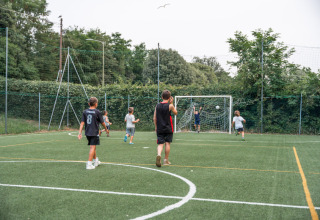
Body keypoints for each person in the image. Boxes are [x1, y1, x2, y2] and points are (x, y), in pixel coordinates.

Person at [78, 97, 108, 170]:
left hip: (87, 132)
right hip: (94, 132)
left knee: (93, 146)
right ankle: (89, 164)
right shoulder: (97, 112)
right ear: (96, 104)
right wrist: (106, 129)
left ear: (89, 104)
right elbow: (103, 122)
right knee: (92, 147)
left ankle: (95, 161)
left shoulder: (85, 111)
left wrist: (79, 132)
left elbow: (82, 123)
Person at [153, 90, 178, 167]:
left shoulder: (157, 106)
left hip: (160, 128)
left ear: (162, 97)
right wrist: (171, 103)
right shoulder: (170, 106)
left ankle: (158, 154)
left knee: (160, 143)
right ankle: (165, 160)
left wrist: (156, 127)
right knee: (167, 143)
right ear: (170, 97)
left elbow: (154, 118)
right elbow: (175, 113)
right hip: (168, 127)